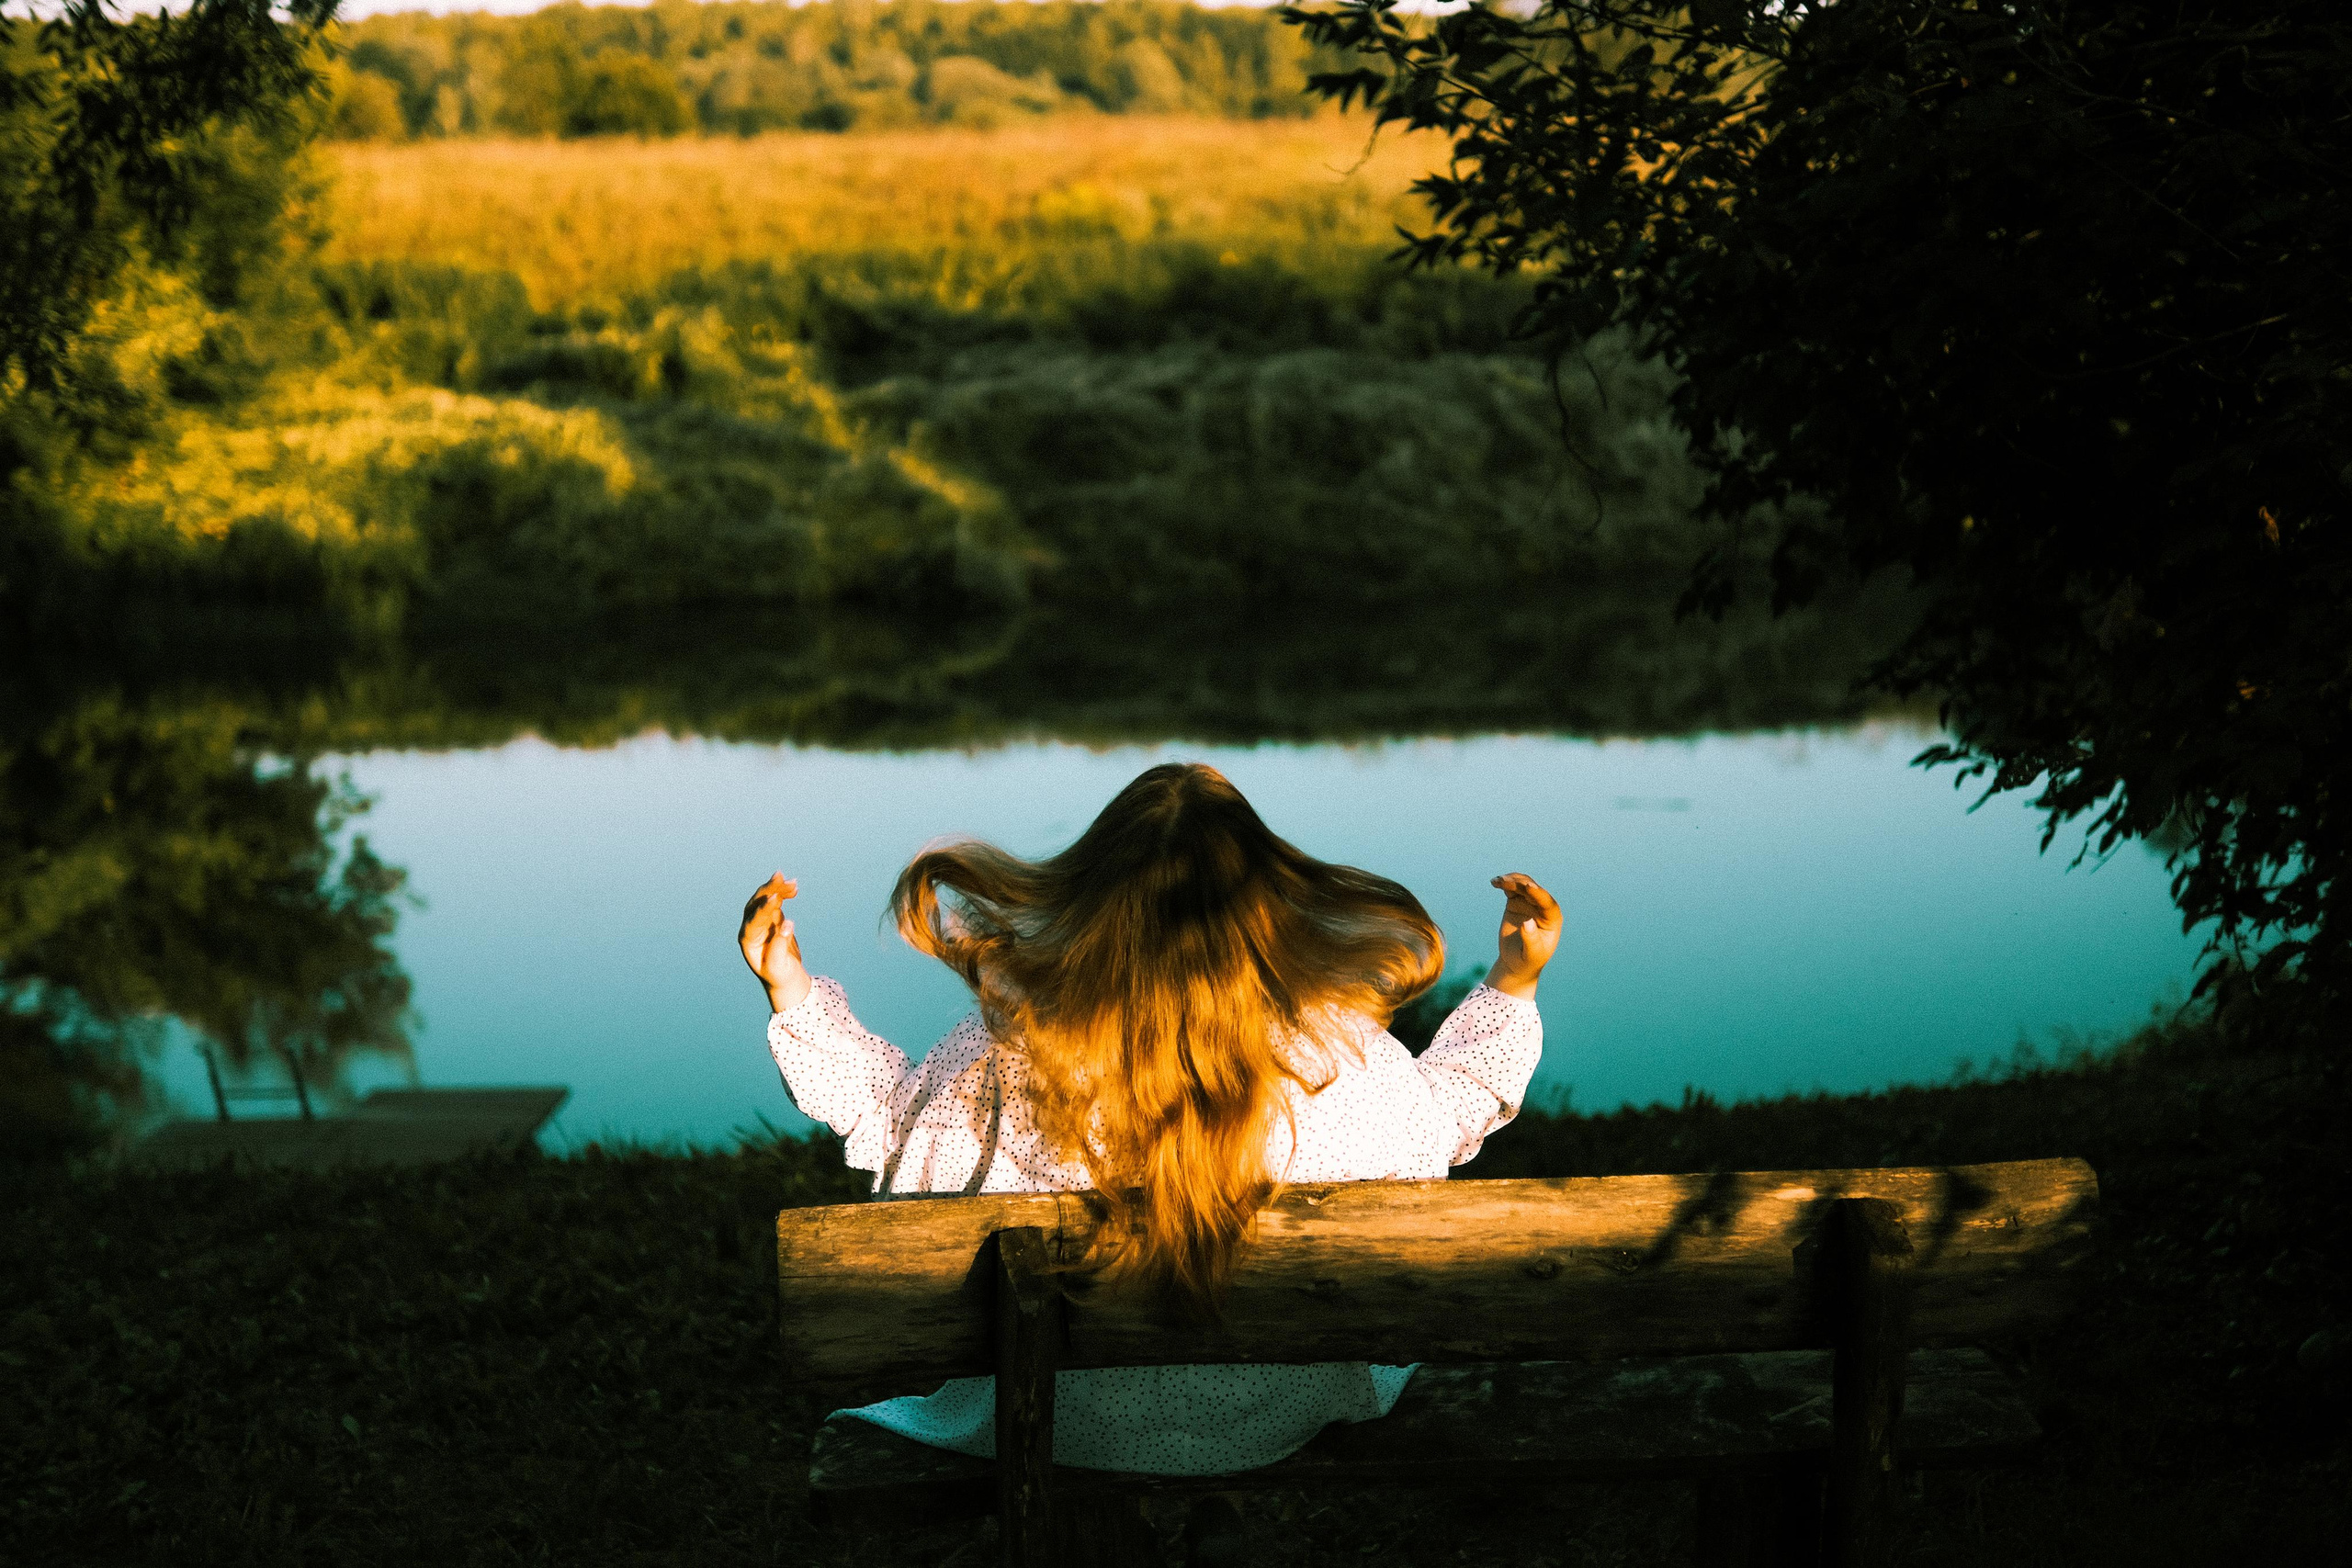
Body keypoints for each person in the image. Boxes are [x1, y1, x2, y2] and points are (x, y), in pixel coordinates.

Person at [735, 761, 1561, 1479]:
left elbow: (897, 1141)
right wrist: (1512, 986)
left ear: (1090, 899)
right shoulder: (1338, 1054)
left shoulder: (1012, 1053)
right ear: (1270, 901)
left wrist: (794, 994)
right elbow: (1439, 1120)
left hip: (1053, 1409)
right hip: (1279, 1406)